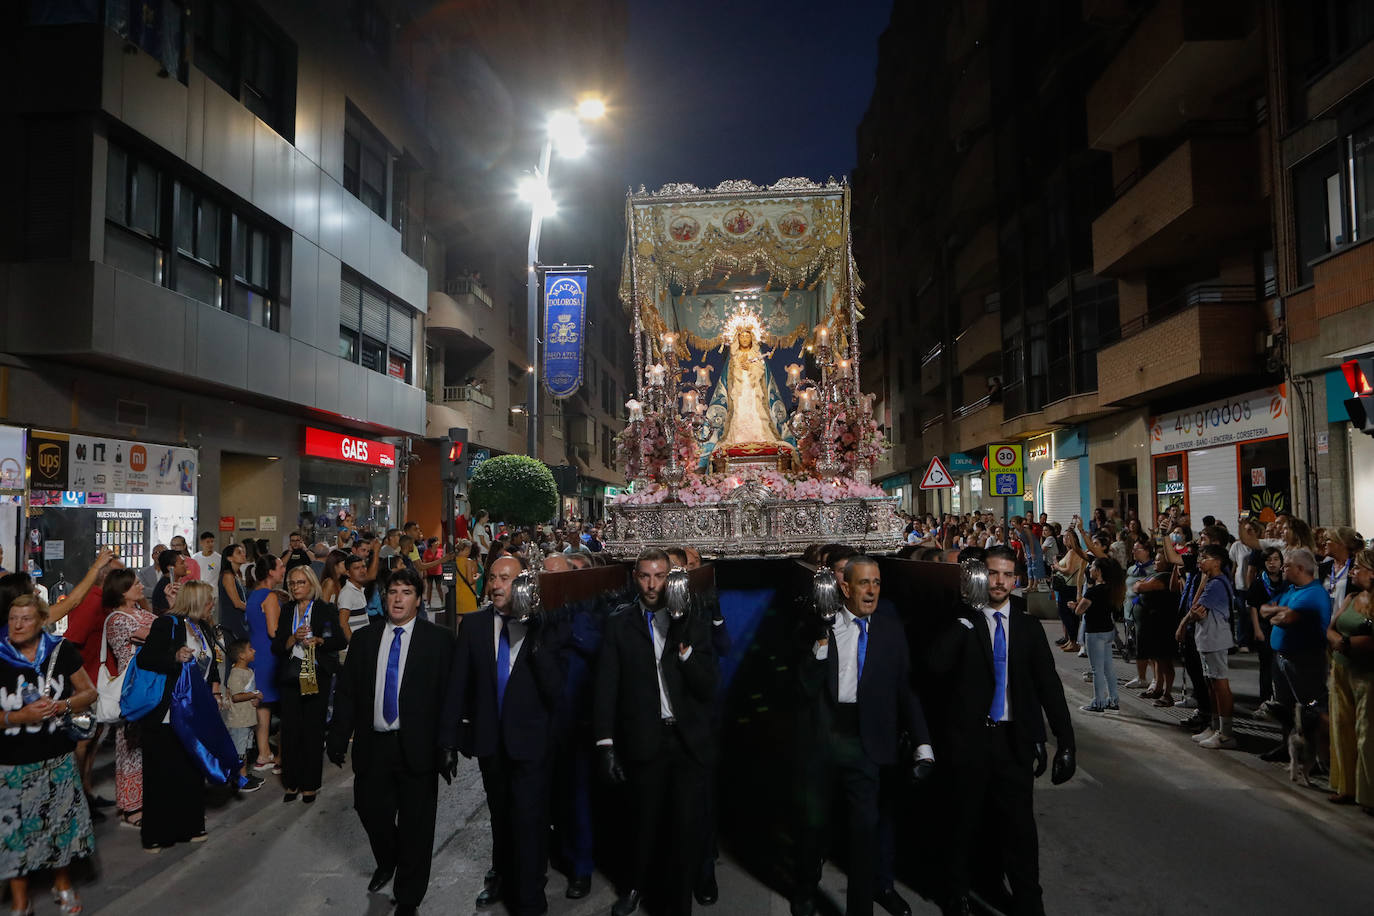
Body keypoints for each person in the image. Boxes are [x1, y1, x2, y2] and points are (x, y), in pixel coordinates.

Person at [928, 546, 1075, 916]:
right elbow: (934, 669)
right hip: (969, 742)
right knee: (963, 822)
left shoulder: (1027, 627)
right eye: (993, 574)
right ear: (979, 577)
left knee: (1020, 830)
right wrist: (965, 617)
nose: (1000, 582)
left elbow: (1049, 687)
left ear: (1017, 579)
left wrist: (1065, 742)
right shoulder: (961, 619)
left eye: (1008, 575)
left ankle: (1029, 902)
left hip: (1013, 742)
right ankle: (957, 893)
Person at [792, 556, 934, 916]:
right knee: (815, 823)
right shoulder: (817, 625)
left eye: (877, 583)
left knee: (865, 831)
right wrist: (821, 641)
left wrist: (923, 743)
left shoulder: (889, 627)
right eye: (863, 583)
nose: (871, 590)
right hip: (823, 738)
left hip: (867, 740)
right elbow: (803, 686)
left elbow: (905, 688)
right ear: (845, 587)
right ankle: (806, 888)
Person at [594, 549, 718, 916]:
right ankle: (634, 885)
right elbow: (606, 686)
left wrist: (684, 651)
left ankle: (680, 902)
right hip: (643, 739)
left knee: (684, 827)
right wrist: (606, 744)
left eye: (660, 576)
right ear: (635, 577)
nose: (652, 585)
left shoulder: (693, 619)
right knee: (643, 821)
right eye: (645, 576)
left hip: (686, 740)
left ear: (672, 578)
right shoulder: (619, 623)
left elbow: (708, 686)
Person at [440, 556, 567, 914]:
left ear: (524, 583)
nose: (496, 585)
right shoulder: (475, 626)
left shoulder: (548, 624)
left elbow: (556, 688)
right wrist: (449, 739)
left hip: (531, 743)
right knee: (501, 817)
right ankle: (504, 877)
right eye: (493, 577)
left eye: (505, 579)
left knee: (529, 819)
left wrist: (535, 630)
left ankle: (529, 896)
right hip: (489, 743)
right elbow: (458, 685)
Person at [326, 568, 455, 916]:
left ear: (418, 598)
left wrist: (448, 744)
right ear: (384, 597)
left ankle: (409, 896)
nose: (398, 598)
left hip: (418, 748)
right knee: (369, 809)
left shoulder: (439, 641)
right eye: (393, 591)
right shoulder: (365, 640)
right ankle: (388, 859)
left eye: (406, 592)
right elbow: (349, 693)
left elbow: (449, 698)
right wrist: (338, 735)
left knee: (417, 825)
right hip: (375, 745)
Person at [1, 593, 97, 916]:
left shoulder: (59, 650)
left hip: (56, 756)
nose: (17, 624)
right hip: (10, 761)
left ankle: (63, 883)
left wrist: (61, 705)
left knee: (59, 825)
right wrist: (18, 717)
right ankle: (20, 901)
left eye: (25, 618)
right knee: (12, 834)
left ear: (42, 621)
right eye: (13, 618)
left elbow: (89, 692)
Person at [137, 582, 215, 851]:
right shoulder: (167, 624)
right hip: (167, 712)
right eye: (207, 601)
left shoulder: (201, 626)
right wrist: (174, 656)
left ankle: (190, 825)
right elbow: (146, 659)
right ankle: (157, 833)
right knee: (162, 772)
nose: (211, 605)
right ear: (195, 602)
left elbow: (209, 663)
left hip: (195, 710)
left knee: (191, 769)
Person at [273, 566, 345, 804]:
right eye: (292, 583)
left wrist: (320, 640)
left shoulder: (324, 609)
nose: (295, 587)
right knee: (291, 731)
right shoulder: (287, 611)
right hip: (291, 675)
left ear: (311, 584)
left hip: (316, 673)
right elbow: (276, 646)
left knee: (312, 730)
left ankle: (310, 784)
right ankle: (291, 782)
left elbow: (340, 640)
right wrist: (293, 638)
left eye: (300, 583)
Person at [1259, 548, 1333, 763]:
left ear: (1300, 568)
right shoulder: (1291, 589)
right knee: (1286, 707)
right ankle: (1288, 746)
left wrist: (1279, 614)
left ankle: (1318, 756)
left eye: (1287, 565)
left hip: (1304, 659)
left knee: (1310, 708)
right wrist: (1278, 614)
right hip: (1282, 657)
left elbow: (1286, 619)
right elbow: (1265, 610)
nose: (1283, 568)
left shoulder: (1314, 593)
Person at [104, 568, 156, 827]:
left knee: (146, 743)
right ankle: (131, 804)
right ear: (122, 591)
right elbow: (158, 633)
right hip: (132, 687)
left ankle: (147, 798)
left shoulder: (140, 612)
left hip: (149, 684)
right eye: (135, 584)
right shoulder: (117, 620)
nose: (140, 586)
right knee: (131, 744)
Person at [1325, 547, 1374, 812]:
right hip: (1341, 669)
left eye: (1358, 568)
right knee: (1341, 726)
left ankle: (1368, 793)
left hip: (1367, 674)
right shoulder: (1352, 597)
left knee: (1366, 733)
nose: (1353, 572)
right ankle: (1346, 786)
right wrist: (1341, 642)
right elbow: (1331, 627)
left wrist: (1345, 642)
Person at [1184, 545, 1238, 749]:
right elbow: (1195, 609)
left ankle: (1226, 733)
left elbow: (1196, 610)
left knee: (1220, 684)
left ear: (1217, 561)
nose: (1200, 561)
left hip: (1216, 639)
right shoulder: (1210, 581)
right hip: (1207, 638)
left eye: (1204, 557)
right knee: (1211, 684)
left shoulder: (1217, 584)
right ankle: (1215, 726)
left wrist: (1183, 625)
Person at [245, 555, 285, 773]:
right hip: (270, 655)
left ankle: (263, 753)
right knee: (278, 705)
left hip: (256, 652)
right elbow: (274, 631)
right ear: (270, 572)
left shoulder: (253, 595)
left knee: (263, 707)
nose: (283, 570)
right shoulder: (269, 597)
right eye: (280, 566)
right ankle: (278, 755)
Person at [1074, 558, 1125, 713]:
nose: (1089, 569)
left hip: (1095, 632)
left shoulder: (1093, 591)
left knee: (1097, 670)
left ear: (1099, 571)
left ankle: (1099, 702)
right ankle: (1113, 699)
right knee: (1108, 668)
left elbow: (1079, 611)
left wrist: (1075, 606)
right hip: (1108, 631)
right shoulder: (1112, 589)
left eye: (1092, 567)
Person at [1134, 547, 1180, 706]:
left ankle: (1168, 693)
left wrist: (1140, 583)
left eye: (1159, 560)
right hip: (1151, 624)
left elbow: (1140, 587)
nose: (1155, 562)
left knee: (1165, 659)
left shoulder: (1165, 577)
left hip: (1163, 623)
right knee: (1156, 658)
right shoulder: (1155, 575)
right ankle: (1158, 687)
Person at [222, 640, 264, 792]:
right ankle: (239, 779)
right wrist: (254, 694)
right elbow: (236, 697)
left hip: (248, 719)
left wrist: (255, 699)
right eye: (250, 649)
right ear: (241, 656)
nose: (254, 651)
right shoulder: (236, 674)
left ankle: (244, 774)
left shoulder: (248, 671)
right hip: (239, 721)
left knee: (245, 750)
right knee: (239, 751)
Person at [1248, 547, 1285, 707]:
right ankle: (1265, 700)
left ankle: (1282, 699)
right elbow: (1253, 607)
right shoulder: (1258, 582)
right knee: (1266, 664)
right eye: (1269, 560)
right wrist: (1257, 630)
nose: (1272, 563)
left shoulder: (1286, 581)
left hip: (1282, 626)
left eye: (1276, 559)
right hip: (1264, 626)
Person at [218, 543, 249, 641]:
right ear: (229, 558)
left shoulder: (236, 574)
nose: (243, 554)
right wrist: (255, 609)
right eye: (239, 553)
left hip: (240, 618)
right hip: (232, 620)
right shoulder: (228, 575)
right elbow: (237, 603)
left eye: (243, 552)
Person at [150, 548, 185, 613]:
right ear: (170, 568)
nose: (186, 566)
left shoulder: (172, 583)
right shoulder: (167, 588)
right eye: (182, 563)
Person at [451, 539, 481, 616]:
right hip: (467, 594)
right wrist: (477, 577)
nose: (470, 552)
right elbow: (470, 581)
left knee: (459, 619)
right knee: (469, 619)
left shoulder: (453, 561)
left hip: (456, 593)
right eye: (469, 550)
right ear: (466, 549)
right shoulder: (468, 561)